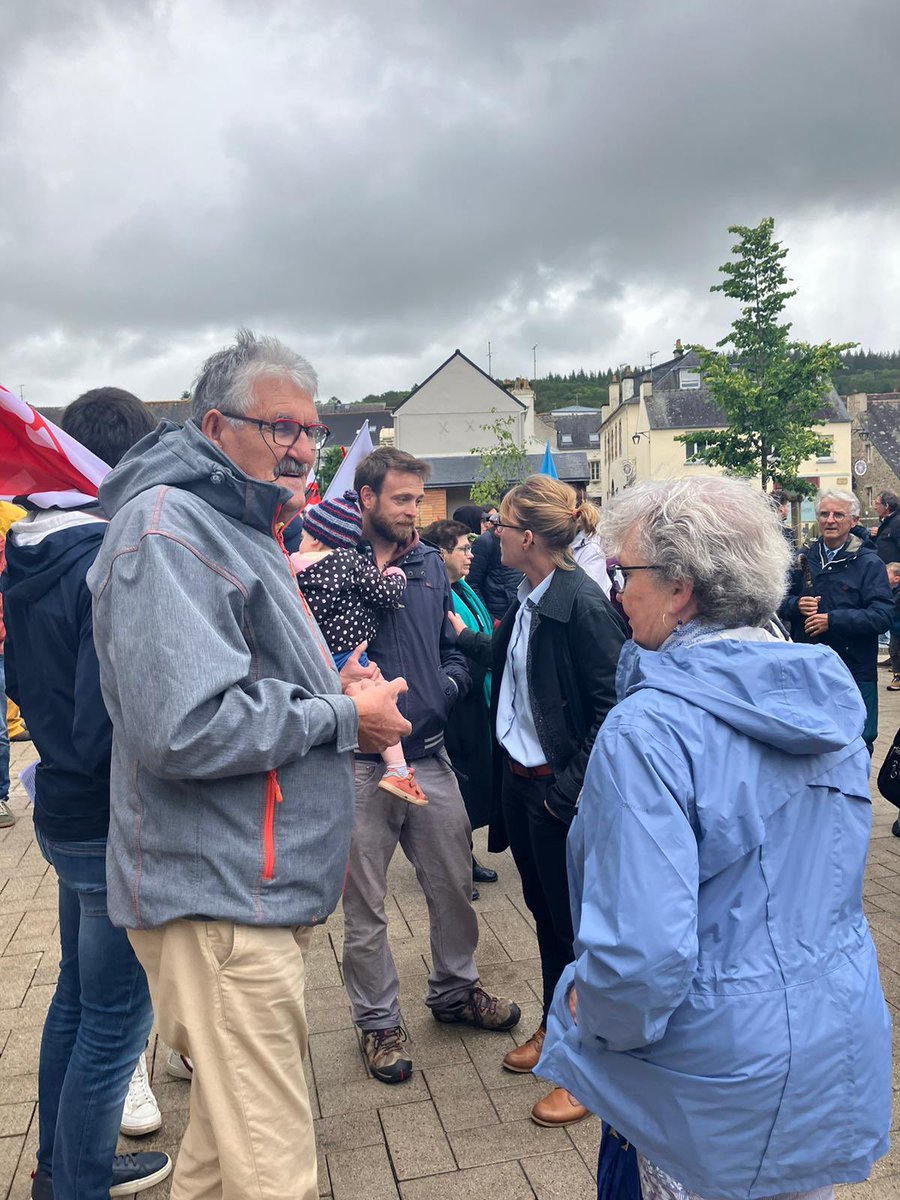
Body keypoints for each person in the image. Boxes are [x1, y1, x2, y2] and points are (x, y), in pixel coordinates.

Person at [86, 332, 410, 1200]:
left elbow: (230, 682)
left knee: (223, 1160)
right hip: (220, 900)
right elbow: (183, 726)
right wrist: (347, 714)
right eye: (281, 427)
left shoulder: (231, 522)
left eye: (312, 431)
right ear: (215, 424)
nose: (303, 449)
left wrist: (326, 684)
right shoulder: (169, 529)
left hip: (241, 890)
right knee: (275, 1174)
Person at [539, 475, 891, 1200]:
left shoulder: (648, 731)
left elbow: (639, 960)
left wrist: (589, 1014)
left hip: (704, 1074)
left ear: (681, 589)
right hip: (827, 1041)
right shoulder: (823, 706)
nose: (616, 591)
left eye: (623, 573)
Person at [1, 389, 171, 1200]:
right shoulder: (105, 559)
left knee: (75, 997)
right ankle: (75, 1183)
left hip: (63, 810)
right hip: (110, 819)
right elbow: (113, 720)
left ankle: (61, 1168)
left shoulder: (34, 550)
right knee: (115, 1022)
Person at [449, 475, 624, 1128]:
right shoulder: (527, 596)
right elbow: (513, 684)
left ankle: (592, 1069)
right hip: (526, 790)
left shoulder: (580, 604)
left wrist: (564, 793)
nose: (492, 532)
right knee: (548, 917)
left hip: (559, 795)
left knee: (578, 930)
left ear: (528, 537)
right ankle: (558, 1032)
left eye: (502, 524)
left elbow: (613, 707)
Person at [342, 447, 520, 1087]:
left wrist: (442, 687)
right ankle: (377, 1024)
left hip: (429, 754)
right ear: (366, 499)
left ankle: (454, 992)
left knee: (452, 886)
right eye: (401, 500)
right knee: (366, 909)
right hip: (358, 766)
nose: (414, 513)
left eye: (419, 500)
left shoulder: (427, 565)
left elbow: (452, 648)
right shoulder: (332, 567)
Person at [293, 488, 426, 805]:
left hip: (317, 653)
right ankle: (396, 769)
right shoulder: (348, 561)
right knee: (377, 695)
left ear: (312, 538)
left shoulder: (288, 567)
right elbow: (383, 594)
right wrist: (394, 574)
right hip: (349, 648)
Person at [780, 489, 892, 753]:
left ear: (853, 521)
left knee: (858, 742)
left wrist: (834, 620)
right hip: (809, 667)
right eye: (824, 514)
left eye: (838, 514)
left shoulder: (869, 563)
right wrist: (796, 605)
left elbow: (883, 615)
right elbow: (776, 601)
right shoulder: (802, 558)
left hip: (855, 669)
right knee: (810, 740)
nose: (830, 520)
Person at [421, 519, 497, 894]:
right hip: (454, 703)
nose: (470, 555)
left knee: (471, 788)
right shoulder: (434, 594)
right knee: (456, 790)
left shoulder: (463, 589)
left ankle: (465, 857)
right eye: (462, 549)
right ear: (441, 554)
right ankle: (452, 868)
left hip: (476, 697)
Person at [468, 510, 523, 621]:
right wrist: (490, 619)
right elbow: (472, 583)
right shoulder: (486, 541)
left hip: (518, 611)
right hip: (497, 616)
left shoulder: (522, 537)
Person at [872, 490, 900, 563]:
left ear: (886, 506)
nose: (875, 507)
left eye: (877, 504)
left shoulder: (897, 522)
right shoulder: (887, 522)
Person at [886, 561, 900, 692]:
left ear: (897, 579)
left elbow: (892, 605)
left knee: (895, 651)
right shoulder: (891, 591)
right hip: (895, 629)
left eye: (886, 575)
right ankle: (897, 676)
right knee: (893, 651)